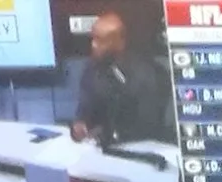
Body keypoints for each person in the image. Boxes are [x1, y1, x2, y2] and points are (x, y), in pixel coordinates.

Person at [70, 10, 169, 147]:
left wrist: (110, 133)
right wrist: (79, 124)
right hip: (99, 149)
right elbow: (84, 108)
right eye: (93, 38)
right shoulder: (91, 68)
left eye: (100, 40)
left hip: (141, 148)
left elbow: (148, 125)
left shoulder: (146, 73)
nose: (93, 45)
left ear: (119, 42)